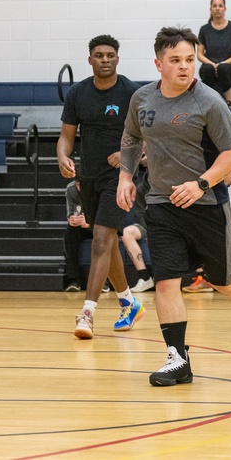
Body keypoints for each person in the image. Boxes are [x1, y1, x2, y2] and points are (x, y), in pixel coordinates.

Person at [117, 26, 231, 387]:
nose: (185, 67)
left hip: (205, 204)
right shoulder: (141, 99)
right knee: (167, 282)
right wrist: (126, 176)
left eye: (189, 59)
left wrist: (201, 182)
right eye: (176, 61)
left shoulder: (209, 102)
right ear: (159, 64)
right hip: (160, 203)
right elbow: (130, 136)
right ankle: (177, 358)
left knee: (223, 281)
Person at [58, 34, 144, 339]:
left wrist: (127, 154)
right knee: (106, 243)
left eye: (110, 55)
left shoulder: (132, 93)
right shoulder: (78, 93)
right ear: (90, 59)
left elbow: (148, 136)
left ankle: (87, 313)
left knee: (100, 239)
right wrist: (62, 156)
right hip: (88, 177)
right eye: (99, 55)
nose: (105, 59)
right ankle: (128, 302)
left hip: (120, 179)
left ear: (118, 58)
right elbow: (67, 135)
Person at [198, 0, 231, 107]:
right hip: (210, 67)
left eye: (220, 6)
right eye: (214, 6)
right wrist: (213, 64)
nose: (217, 8)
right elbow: (199, 54)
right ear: (210, 9)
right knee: (207, 69)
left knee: (223, 68)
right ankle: (206, 102)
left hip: (230, 68)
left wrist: (222, 64)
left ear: (224, 9)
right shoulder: (204, 29)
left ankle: (229, 102)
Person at [121, 155, 154, 293]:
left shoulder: (171, 181)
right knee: (126, 232)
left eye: (147, 155)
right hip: (149, 224)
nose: (145, 158)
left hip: (171, 223)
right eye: (143, 156)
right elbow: (139, 213)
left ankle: (201, 276)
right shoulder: (141, 187)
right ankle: (145, 277)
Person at [62, 179, 92, 292]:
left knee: (102, 235)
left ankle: (104, 282)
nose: (80, 188)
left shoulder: (97, 188)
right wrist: (72, 219)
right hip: (81, 226)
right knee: (69, 233)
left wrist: (89, 223)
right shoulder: (71, 189)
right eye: (78, 184)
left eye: (82, 184)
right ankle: (73, 279)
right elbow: (70, 211)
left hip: (97, 226)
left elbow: (103, 217)